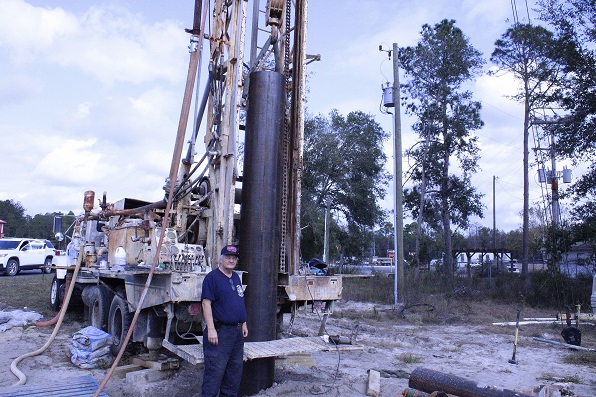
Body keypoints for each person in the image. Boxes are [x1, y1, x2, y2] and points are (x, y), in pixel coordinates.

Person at [201, 245, 248, 397]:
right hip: (220, 333)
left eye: (234, 258)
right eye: (228, 257)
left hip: (236, 333)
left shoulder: (235, 277)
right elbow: (205, 303)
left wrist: (244, 322)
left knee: (233, 374)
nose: (231, 260)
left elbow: (239, 300)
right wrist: (211, 329)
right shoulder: (212, 278)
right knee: (214, 373)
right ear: (221, 259)